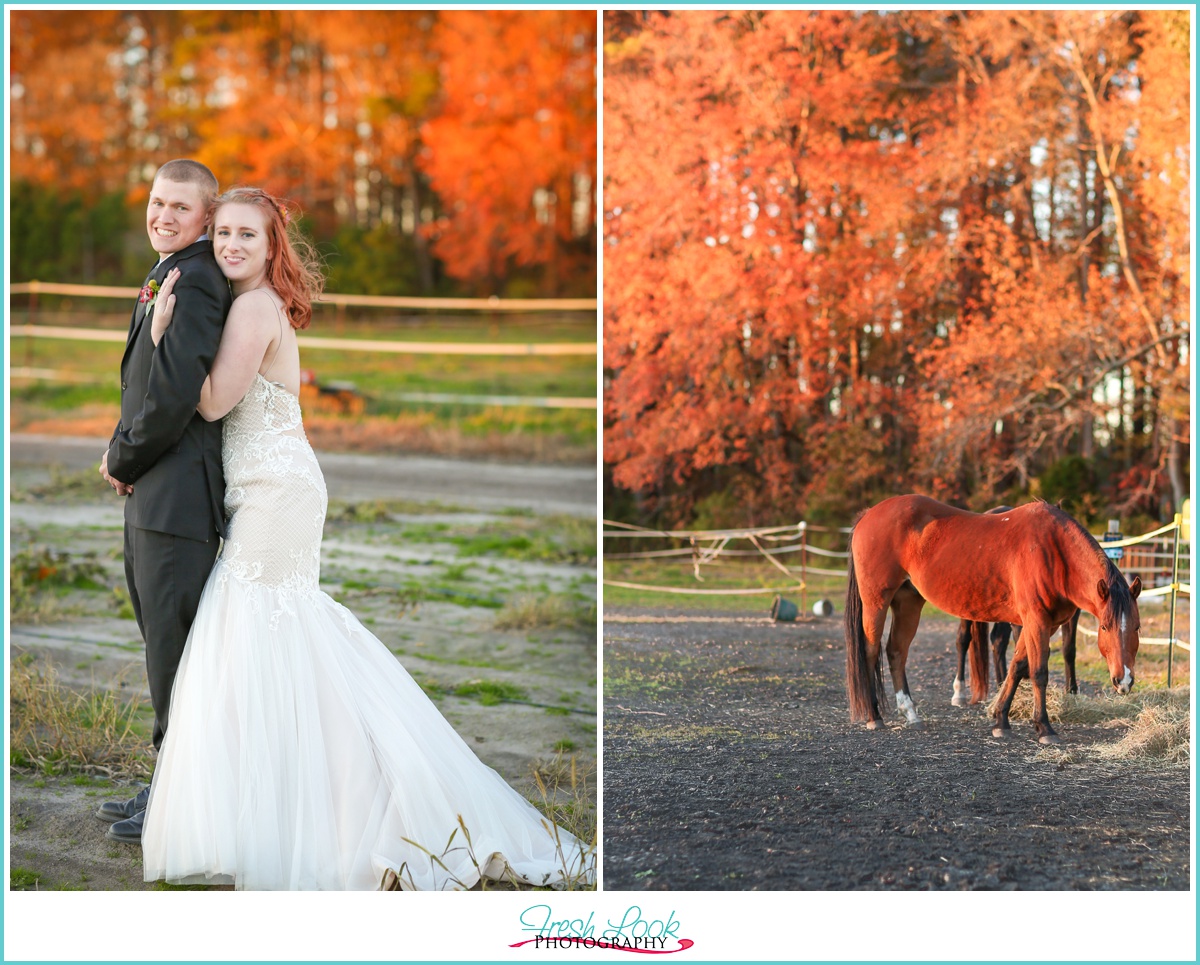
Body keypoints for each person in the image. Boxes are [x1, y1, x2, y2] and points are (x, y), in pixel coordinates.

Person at [139, 187, 593, 890]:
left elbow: (212, 401)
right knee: (277, 640)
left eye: (247, 236)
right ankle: (291, 801)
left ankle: (350, 804)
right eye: (223, 231)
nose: (231, 245)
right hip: (264, 489)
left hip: (276, 495)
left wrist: (166, 329)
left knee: (262, 635)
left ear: (270, 248)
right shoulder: (250, 304)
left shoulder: (256, 307)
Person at [97, 160, 232, 844]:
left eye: (181, 207)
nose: (165, 215)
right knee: (163, 647)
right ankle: (169, 778)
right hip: (155, 490)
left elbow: (178, 394)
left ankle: (181, 805)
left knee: (174, 655)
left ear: (206, 218)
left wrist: (122, 456)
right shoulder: (170, 268)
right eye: (157, 202)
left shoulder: (200, 279)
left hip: (177, 497)